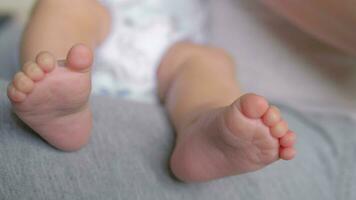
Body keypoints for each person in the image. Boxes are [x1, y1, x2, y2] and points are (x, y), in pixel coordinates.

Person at [6, 0, 296, 182]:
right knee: (63, 7)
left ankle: (205, 128)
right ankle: (59, 93)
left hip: (170, 51)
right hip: (98, 27)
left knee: (210, 62)